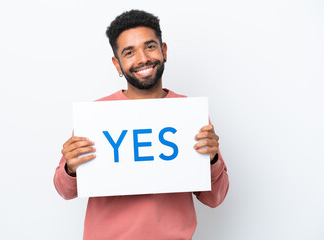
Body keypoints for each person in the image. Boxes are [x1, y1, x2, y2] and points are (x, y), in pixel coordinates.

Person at [54, 9, 229, 240]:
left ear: (163, 51)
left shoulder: (188, 113)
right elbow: (65, 191)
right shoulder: (97, 115)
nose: (143, 58)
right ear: (117, 64)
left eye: (149, 47)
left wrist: (212, 158)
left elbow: (214, 198)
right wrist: (71, 167)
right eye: (129, 52)